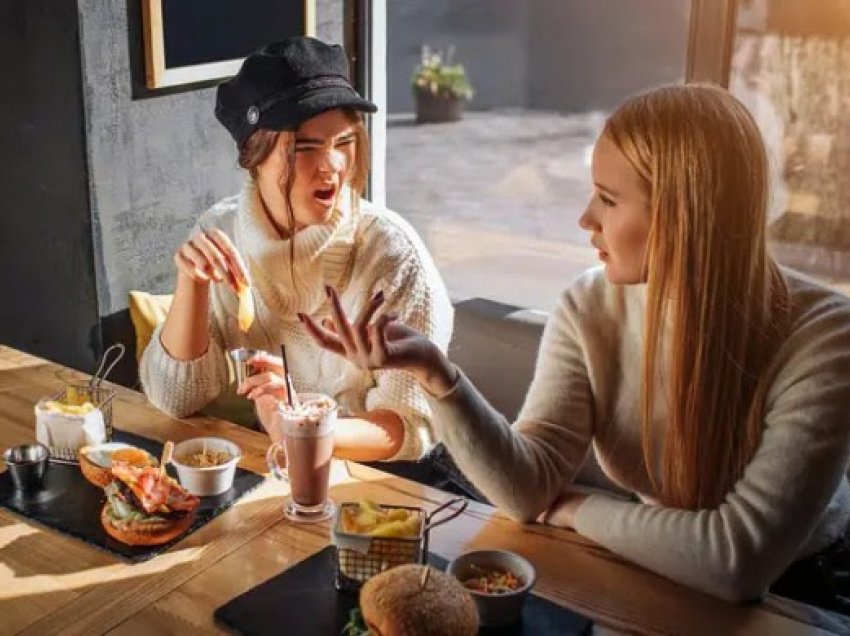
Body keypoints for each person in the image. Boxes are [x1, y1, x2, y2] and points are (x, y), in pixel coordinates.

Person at [301, 83, 850, 611]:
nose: (586, 218)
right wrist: (434, 372)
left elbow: (739, 561)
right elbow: (526, 488)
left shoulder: (824, 337)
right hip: (657, 559)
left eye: (609, 200)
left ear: (685, 219)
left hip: (801, 591)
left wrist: (580, 509)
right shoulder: (590, 304)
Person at [139, 37, 453, 463]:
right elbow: (177, 399)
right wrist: (190, 284)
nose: (333, 166)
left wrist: (303, 428)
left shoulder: (393, 256)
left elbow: (411, 427)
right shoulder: (220, 230)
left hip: (384, 478)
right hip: (273, 463)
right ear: (255, 155)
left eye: (344, 142)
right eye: (305, 147)